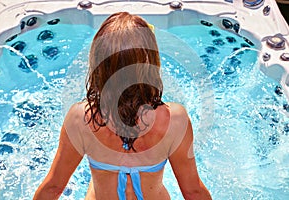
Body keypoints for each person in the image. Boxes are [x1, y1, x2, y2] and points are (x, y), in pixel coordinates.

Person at [33, 12, 212, 200]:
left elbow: (53, 188)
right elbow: (193, 192)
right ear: (149, 64)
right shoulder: (174, 119)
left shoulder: (81, 118)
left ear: (99, 66)